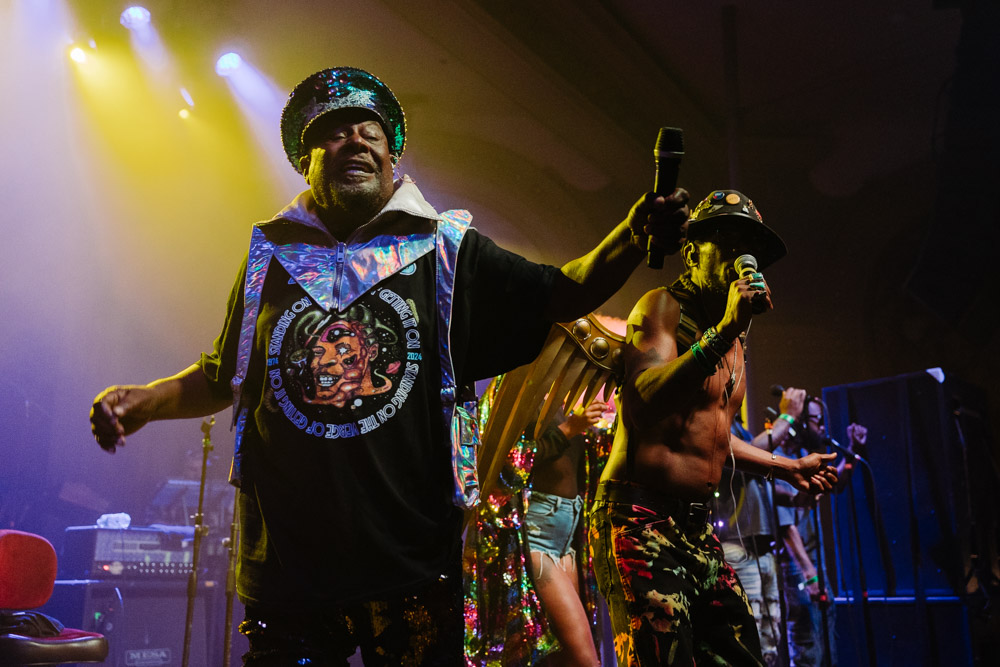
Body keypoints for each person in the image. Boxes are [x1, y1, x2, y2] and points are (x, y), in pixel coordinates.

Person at [89, 66, 690, 666]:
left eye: (369, 132)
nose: (354, 140)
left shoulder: (446, 248)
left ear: (392, 159)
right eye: (334, 132)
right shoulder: (269, 257)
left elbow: (559, 291)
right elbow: (226, 375)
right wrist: (145, 400)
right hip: (288, 569)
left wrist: (634, 235)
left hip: (409, 563)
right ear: (306, 159)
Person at [589, 189, 839, 666]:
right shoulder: (662, 308)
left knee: (740, 651)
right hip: (640, 516)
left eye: (749, 248)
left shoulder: (735, 342)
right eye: (724, 241)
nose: (739, 257)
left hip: (696, 528)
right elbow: (642, 404)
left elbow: (715, 439)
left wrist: (785, 467)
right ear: (691, 253)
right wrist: (723, 330)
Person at [774, 390, 867, 667]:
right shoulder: (778, 457)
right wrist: (810, 575)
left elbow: (835, 484)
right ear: (801, 422)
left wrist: (853, 452)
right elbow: (786, 527)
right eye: (817, 420)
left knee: (827, 643)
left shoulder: (805, 454)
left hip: (814, 565)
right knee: (808, 648)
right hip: (798, 567)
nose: (823, 427)